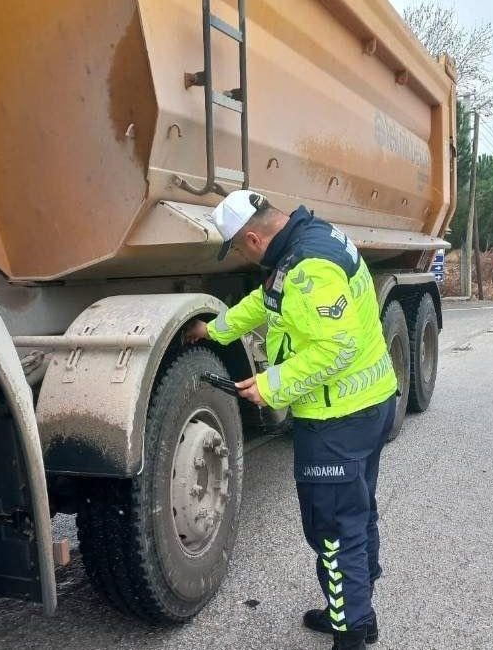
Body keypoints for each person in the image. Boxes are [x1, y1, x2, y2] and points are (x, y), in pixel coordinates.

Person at [185, 190, 399, 649]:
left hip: (338, 417)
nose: (242, 256)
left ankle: (352, 630)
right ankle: (360, 612)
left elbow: (335, 347)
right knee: (356, 515)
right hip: (367, 404)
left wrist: (270, 385)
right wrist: (216, 330)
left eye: (239, 247)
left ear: (254, 237)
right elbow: (268, 303)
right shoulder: (308, 241)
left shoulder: (309, 269)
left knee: (334, 528)